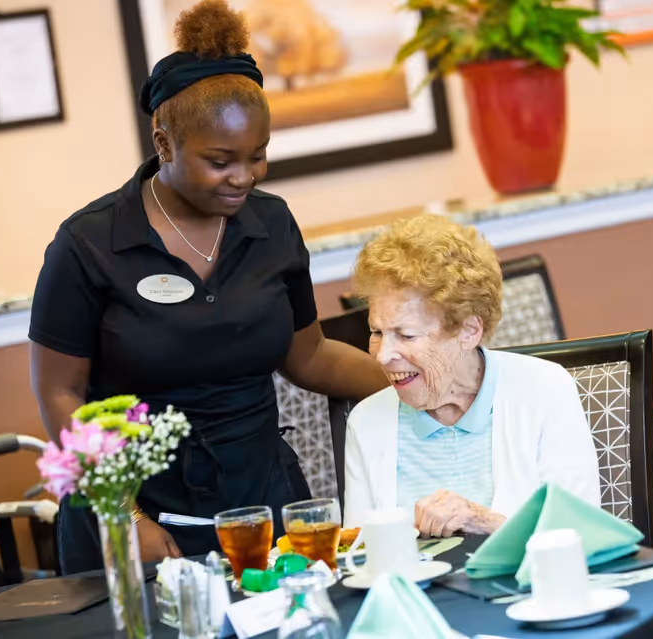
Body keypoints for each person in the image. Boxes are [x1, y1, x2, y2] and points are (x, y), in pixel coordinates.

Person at [29, 0, 388, 574]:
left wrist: (416, 381)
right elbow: (60, 395)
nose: (244, 176)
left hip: (262, 509)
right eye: (220, 160)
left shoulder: (271, 225)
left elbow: (310, 355)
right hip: (142, 518)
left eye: (258, 156)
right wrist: (125, 514)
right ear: (164, 143)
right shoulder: (89, 245)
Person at [343, 215, 600, 537]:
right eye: (377, 332)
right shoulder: (367, 423)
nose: (383, 355)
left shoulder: (544, 390)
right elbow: (358, 555)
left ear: (468, 331)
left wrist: (482, 521)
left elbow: (582, 535)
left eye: (407, 335)